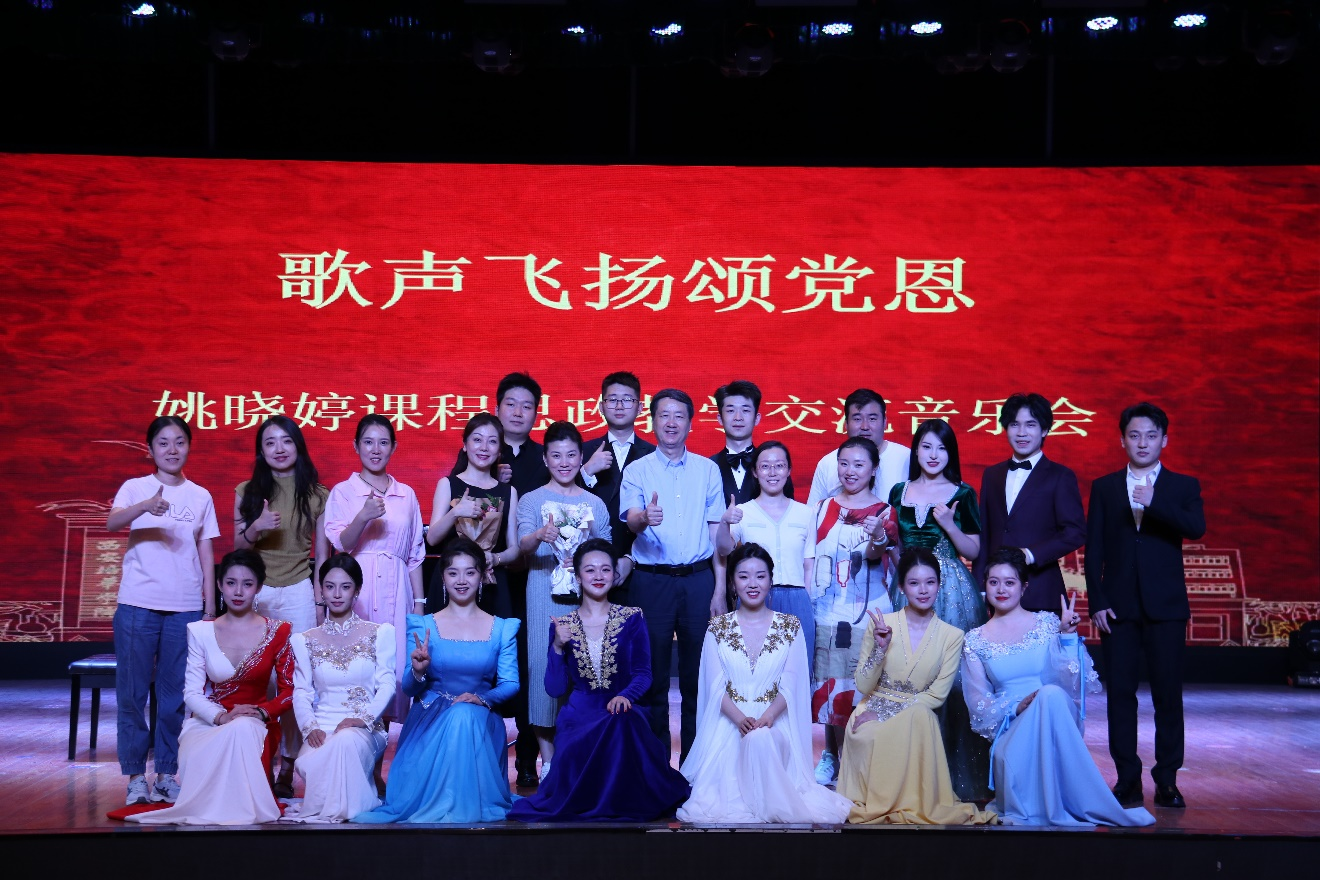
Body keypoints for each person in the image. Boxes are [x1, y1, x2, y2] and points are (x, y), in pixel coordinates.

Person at [963, 548, 1155, 826]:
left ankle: (1063, 806)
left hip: (1057, 716)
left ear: (1024, 587)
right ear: (985, 585)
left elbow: (1073, 684)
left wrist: (1067, 637)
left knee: (1050, 694)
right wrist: (1016, 707)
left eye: (1009, 582)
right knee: (1046, 699)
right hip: (1011, 724)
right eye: (994, 582)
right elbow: (978, 705)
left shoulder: (1048, 623)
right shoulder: (975, 640)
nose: (1001, 589)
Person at [509, 539, 690, 822]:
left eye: (605, 569)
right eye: (590, 570)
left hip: (624, 706)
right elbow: (555, 689)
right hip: (580, 710)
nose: (598, 576)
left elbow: (644, 674)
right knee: (582, 731)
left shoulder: (632, 617)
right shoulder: (562, 625)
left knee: (620, 721)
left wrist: (626, 696)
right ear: (578, 577)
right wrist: (557, 647)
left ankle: (620, 803)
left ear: (615, 575)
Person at [1086, 402, 1205, 810]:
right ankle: (1127, 778)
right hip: (1118, 609)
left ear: (1164, 440)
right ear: (1122, 440)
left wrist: (1156, 502)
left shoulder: (1183, 486)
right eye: (1134, 435)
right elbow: (1094, 548)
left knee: (1168, 696)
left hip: (1166, 608)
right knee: (1120, 695)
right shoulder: (1104, 487)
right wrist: (1097, 601)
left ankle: (1167, 779)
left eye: (1151, 436)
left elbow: (1196, 528)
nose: (1142, 443)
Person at [678, 544, 851, 824]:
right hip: (729, 725)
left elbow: (793, 684)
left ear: (771, 581)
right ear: (732, 583)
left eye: (760, 576)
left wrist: (768, 717)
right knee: (712, 802)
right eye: (743, 576)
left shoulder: (790, 626)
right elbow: (713, 687)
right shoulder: (718, 628)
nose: (753, 583)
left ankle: (774, 809)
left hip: (775, 723)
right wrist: (740, 719)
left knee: (762, 740)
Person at [354, 538, 520, 824]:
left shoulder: (502, 628)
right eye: (453, 572)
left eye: (470, 572)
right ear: (443, 578)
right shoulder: (423, 625)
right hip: (430, 718)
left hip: (480, 718)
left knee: (463, 715)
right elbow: (409, 688)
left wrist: (482, 699)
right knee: (459, 716)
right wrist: (418, 671)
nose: (461, 580)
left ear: (482, 576)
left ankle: (460, 805)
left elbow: (510, 684)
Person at [129, 550, 294, 825]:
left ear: (259, 587)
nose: (238, 591)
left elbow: (290, 691)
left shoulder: (278, 631)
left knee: (243, 728)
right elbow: (192, 693)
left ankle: (242, 809)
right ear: (219, 585)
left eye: (247, 584)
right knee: (209, 737)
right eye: (230, 583)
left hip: (256, 721)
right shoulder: (200, 631)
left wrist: (262, 712)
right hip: (210, 720)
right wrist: (221, 717)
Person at [108, 416, 220, 807]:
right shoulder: (134, 487)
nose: (172, 450)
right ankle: (136, 777)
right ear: (150, 449)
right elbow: (112, 522)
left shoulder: (200, 495)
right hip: (137, 604)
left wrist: (209, 606)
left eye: (179, 442)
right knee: (132, 694)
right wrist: (145, 506)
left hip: (184, 607)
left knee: (174, 697)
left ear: (189, 446)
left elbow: (206, 550)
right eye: (163, 443)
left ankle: (167, 775)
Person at [839, 548, 996, 826]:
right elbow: (863, 684)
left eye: (930, 582)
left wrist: (887, 714)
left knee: (921, 715)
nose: (923, 590)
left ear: (939, 584)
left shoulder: (952, 635)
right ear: (901, 586)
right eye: (914, 583)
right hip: (870, 708)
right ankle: (881, 804)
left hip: (915, 715)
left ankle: (911, 803)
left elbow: (937, 695)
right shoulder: (883, 624)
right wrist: (880, 649)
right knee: (869, 734)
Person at [448, 372, 547, 786]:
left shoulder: (546, 456)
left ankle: (525, 759)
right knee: (474, 663)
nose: (518, 411)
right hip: (483, 581)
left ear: (536, 412)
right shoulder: (477, 457)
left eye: (527, 405)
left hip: (534, 580)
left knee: (522, 667)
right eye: (511, 403)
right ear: (498, 406)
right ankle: (469, 756)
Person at [621, 388, 727, 761]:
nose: (671, 422)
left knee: (700, 678)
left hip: (699, 581)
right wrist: (644, 517)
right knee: (651, 677)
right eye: (664, 415)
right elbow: (631, 520)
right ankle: (656, 768)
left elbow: (715, 533)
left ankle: (695, 766)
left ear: (690, 424)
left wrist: (718, 590)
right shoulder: (637, 470)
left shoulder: (708, 470)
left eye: (679, 415)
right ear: (652, 421)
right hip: (652, 582)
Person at [890, 418, 989, 802]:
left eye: (942, 448)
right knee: (907, 677)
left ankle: (956, 779)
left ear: (952, 453)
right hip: (908, 589)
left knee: (954, 683)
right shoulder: (900, 491)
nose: (933, 455)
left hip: (951, 592)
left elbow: (973, 550)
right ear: (916, 450)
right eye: (927, 446)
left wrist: (949, 524)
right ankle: (911, 778)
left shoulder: (963, 493)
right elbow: (896, 546)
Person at [233, 414, 330, 797]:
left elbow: (321, 554)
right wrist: (255, 527)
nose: (278, 448)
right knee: (258, 680)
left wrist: (320, 600)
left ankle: (287, 766)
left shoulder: (317, 494)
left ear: (298, 446)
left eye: (286, 441)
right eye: (270, 442)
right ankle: (258, 761)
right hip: (256, 592)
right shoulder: (247, 491)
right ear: (261, 450)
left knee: (295, 682)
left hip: (298, 592)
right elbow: (238, 548)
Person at [516, 421, 614, 780]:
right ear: (545, 458)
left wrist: (589, 549)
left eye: (571, 455)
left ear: (580, 458)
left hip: (585, 600)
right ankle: (548, 763)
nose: (564, 462)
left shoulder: (594, 503)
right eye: (556, 456)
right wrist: (540, 535)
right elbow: (522, 546)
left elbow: (607, 551)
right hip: (543, 594)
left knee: (586, 672)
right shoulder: (531, 500)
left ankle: (581, 758)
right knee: (544, 670)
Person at [809, 436, 899, 787]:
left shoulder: (885, 512)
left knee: (863, 687)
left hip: (869, 613)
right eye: (844, 463)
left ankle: (861, 760)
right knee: (832, 688)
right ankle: (832, 756)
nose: (850, 471)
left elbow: (878, 554)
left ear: (873, 469)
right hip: (828, 612)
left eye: (859, 465)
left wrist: (878, 536)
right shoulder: (821, 508)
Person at [324, 414, 425, 725]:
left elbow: (415, 554)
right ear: (356, 446)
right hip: (358, 589)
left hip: (398, 588)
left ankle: (387, 748)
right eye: (368, 442)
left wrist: (419, 605)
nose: (375, 449)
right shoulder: (343, 492)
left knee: (395, 670)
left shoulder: (406, 494)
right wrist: (363, 516)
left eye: (383, 442)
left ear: (394, 447)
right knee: (357, 667)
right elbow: (342, 544)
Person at [286, 553, 395, 823]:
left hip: (365, 728)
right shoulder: (304, 639)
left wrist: (364, 719)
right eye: (330, 586)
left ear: (357, 590)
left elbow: (387, 684)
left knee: (346, 741)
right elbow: (301, 692)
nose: (337, 594)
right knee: (317, 756)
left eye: (345, 587)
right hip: (321, 729)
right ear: (321, 590)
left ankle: (344, 814)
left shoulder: (380, 632)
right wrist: (309, 728)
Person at [973, 393, 1086, 613]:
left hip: (1040, 590)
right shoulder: (992, 475)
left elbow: (1075, 532)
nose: (1021, 432)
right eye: (1014, 424)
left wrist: (1031, 554)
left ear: (1044, 430)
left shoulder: (1060, 476)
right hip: (996, 595)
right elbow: (984, 534)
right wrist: (981, 588)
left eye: (1030, 425)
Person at [716, 441, 816, 672]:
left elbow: (808, 564)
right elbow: (723, 549)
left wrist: (808, 603)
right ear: (755, 472)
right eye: (765, 466)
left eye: (779, 466)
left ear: (789, 470)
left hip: (797, 598)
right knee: (754, 670)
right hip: (755, 598)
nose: (772, 472)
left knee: (798, 671)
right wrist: (724, 522)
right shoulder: (743, 512)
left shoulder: (806, 513)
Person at [427, 413, 519, 617]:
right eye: (477, 439)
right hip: (452, 580)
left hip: (492, 583)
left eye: (492, 441)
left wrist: (495, 558)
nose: (484, 447)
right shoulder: (448, 484)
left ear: (499, 450)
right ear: (465, 445)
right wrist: (455, 513)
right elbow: (432, 538)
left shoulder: (508, 492)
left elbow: (514, 549)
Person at [580, 372, 656, 587]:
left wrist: (631, 557)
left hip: (642, 562)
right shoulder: (583, 451)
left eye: (627, 399)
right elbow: (567, 502)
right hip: (591, 562)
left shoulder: (654, 455)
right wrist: (586, 471)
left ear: (640, 408)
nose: (620, 406)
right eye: (612, 400)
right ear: (601, 407)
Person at [806, 388, 909, 510]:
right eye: (857, 419)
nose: (865, 426)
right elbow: (812, 514)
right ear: (846, 424)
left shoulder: (907, 458)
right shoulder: (828, 463)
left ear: (885, 422)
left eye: (872, 419)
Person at [709, 380, 795, 505]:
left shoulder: (774, 466)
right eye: (730, 411)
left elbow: (788, 508)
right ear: (720, 418)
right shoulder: (709, 467)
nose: (738, 417)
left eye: (746, 410)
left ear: (757, 418)